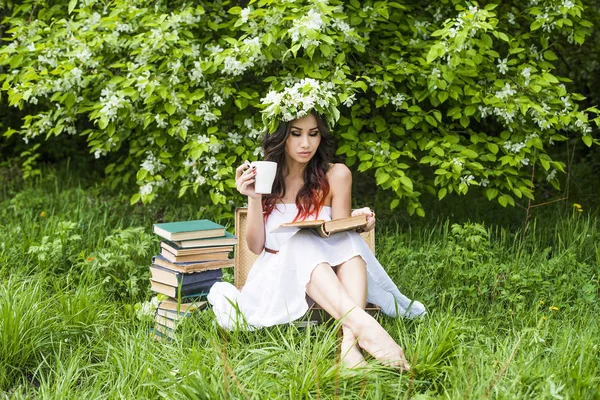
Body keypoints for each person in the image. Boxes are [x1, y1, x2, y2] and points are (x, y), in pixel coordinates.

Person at [208, 111, 426, 370]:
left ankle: (349, 344)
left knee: (349, 244)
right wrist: (253, 198)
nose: (306, 144)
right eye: (296, 134)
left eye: (313, 134)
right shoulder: (266, 177)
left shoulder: (337, 175)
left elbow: (340, 238)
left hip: (326, 280)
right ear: (281, 137)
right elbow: (255, 247)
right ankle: (367, 328)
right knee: (300, 241)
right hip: (277, 278)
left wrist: (359, 221)